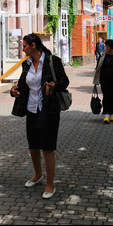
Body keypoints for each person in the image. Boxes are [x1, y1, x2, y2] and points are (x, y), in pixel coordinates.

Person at [10, 33, 69, 199]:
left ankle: (50, 184)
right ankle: (38, 175)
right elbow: (23, 84)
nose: (23, 49)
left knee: (47, 147)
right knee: (33, 145)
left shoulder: (52, 61)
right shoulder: (26, 64)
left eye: (25, 46)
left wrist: (54, 85)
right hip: (31, 109)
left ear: (33, 45)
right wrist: (13, 91)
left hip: (49, 110)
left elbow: (65, 81)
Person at [93, 39, 113, 124]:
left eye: (107, 46)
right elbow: (98, 67)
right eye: (105, 46)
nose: (105, 48)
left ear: (111, 47)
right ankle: (106, 114)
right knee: (106, 96)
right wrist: (97, 79)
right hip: (105, 80)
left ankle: (112, 114)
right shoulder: (103, 55)